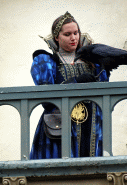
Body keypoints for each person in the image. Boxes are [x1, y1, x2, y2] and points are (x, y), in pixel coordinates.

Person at [30, 11, 108, 159]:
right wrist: (76, 82)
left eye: (76, 33)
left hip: (92, 126)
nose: (73, 38)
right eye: (67, 34)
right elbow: (46, 99)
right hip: (61, 127)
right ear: (56, 37)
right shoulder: (46, 61)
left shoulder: (92, 61)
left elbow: (105, 89)